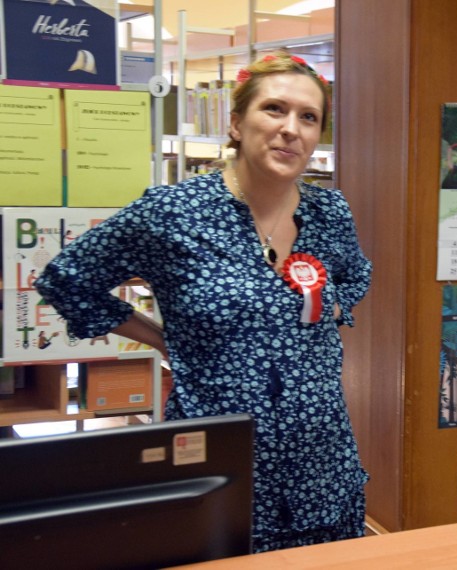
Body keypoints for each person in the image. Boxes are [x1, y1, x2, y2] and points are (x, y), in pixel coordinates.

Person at [35, 51, 372, 551]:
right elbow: (67, 279)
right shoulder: (173, 214)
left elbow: (355, 278)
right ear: (236, 123)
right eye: (274, 109)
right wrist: (162, 340)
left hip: (321, 468)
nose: (291, 129)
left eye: (308, 117)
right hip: (216, 462)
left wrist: (331, 308)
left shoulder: (330, 212)